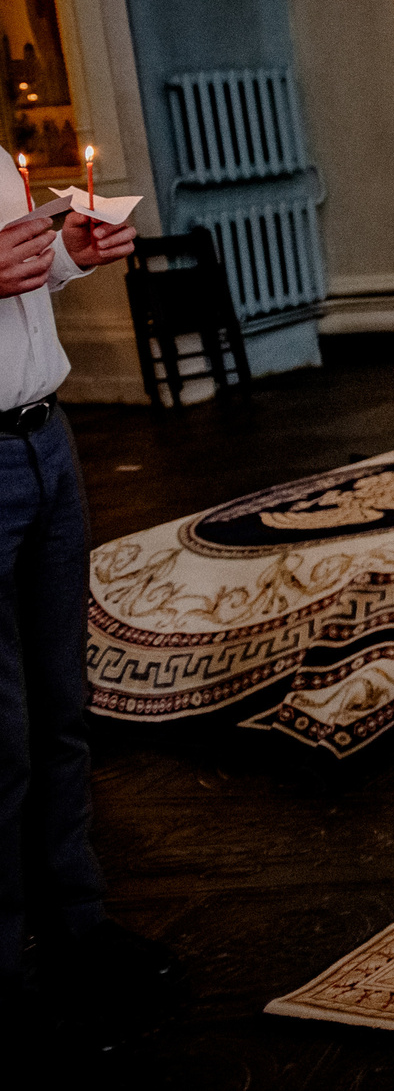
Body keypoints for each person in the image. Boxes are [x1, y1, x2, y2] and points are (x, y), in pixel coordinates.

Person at [0, 187, 178, 1048]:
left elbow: (19, 293)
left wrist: (65, 251)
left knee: (62, 709)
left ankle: (76, 926)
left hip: (44, 440)